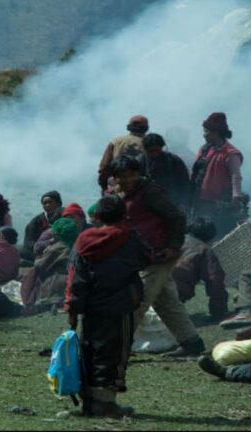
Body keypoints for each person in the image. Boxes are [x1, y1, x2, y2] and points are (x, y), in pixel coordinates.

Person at [114, 155, 206, 357]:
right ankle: (192, 343)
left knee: (137, 300)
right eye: (122, 177)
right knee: (166, 302)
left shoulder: (149, 193)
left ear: (138, 174)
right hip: (143, 256)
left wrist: (173, 247)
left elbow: (177, 217)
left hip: (158, 255)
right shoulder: (124, 195)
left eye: (131, 175)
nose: (127, 180)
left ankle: (115, 348)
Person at [66, 194, 146, 418]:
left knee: (89, 351)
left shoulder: (83, 241)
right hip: (119, 308)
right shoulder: (129, 238)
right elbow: (146, 258)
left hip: (91, 309)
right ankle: (106, 403)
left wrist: (73, 310)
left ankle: (89, 402)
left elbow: (76, 278)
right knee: (113, 355)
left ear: (98, 216)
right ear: (124, 215)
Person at [190, 112, 245, 237]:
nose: (204, 135)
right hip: (200, 201)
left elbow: (235, 176)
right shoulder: (205, 150)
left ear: (215, 132)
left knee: (217, 235)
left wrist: (236, 197)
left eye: (206, 131)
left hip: (218, 205)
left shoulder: (230, 153)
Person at [172, 217, 228, 320]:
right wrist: (218, 311)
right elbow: (215, 281)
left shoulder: (172, 239)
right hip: (175, 292)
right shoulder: (204, 250)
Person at [21, 218, 79, 313]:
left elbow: (40, 265)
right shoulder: (78, 247)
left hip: (56, 284)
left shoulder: (56, 248)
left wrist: (41, 255)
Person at [137, 133, 191, 210]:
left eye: (157, 150)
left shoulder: (173, 160)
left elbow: (185, 182)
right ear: (145, 149)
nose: (154, 154)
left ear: (162, 148)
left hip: (171, 202)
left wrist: (184, 202)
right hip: (145, 204)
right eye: (151, 151)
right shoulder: (139, 161)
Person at [97, 115, 149, 192]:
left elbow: (104, 166)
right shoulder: (150, 143)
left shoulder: (116, 141)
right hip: (140, 186)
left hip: (118, 184)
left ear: (129, 126)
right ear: (146, 128)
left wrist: (104, 187)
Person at [22, 191, 62, 263]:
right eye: (45, 203)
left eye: (50, 202)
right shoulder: (36, 222)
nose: (47, 205)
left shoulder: (66, 218)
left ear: (58, 204)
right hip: (39, 251)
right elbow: (29, 241)